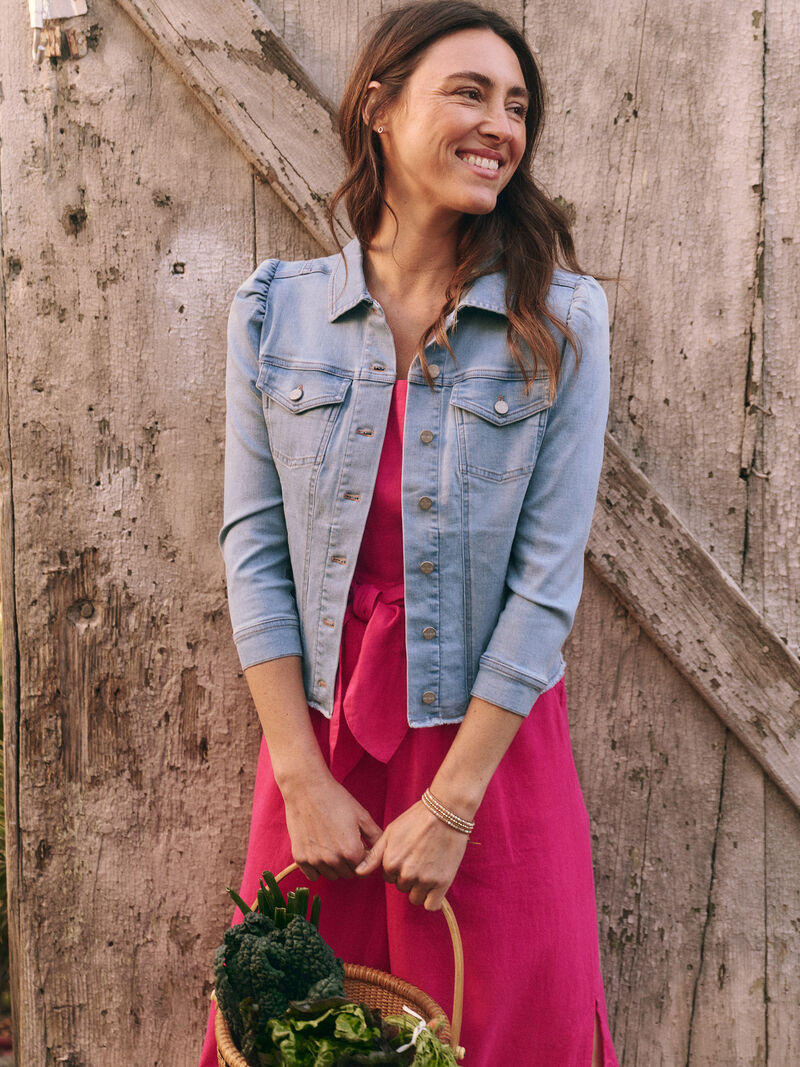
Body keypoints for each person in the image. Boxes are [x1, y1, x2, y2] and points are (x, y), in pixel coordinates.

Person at [198, 2, 619, 1064]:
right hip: (321, 749)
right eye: (470, 93)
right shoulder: (272, 312)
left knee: (507, 1026)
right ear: (378, 108)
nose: (500, 126)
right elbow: (252, 551)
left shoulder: (560, 319)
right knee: (295, 1032)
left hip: (488, 754)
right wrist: (297, 772)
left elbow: (545, 580)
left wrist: (454, 801)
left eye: (516, 106)